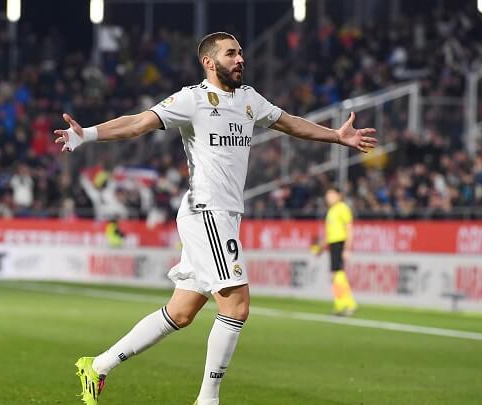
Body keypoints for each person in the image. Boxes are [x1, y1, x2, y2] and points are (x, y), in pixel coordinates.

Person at [54, 32, 377, 405]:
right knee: (237, 304)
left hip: (223, 214)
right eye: (231, 53)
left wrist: (336, 137)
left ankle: (98, 366)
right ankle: (208, 400)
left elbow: (289, 122)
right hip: (206, 211)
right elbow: (140, 122)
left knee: (181, 311)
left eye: (241, 52)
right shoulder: (191, 99)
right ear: (209, 62)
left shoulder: (249, 99)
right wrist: (89, 134)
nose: (240, 59)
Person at [313, 187, 358, 315]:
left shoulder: (342, 208)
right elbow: (329, 234)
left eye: (331, 194)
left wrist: (348, 248)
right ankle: (345, 303)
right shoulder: (331, 211)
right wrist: (321, 247)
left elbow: (349, 228)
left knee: (337, 274)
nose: (329, 198)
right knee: (337, 274)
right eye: (327, 195)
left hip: (340, 243)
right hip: (333, 244)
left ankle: (345, 304)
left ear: (339, 195)